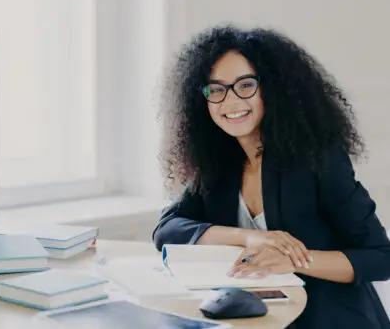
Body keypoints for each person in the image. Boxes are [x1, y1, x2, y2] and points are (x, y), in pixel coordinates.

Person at [153, 25, 390, 329]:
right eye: (217, 89)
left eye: (245, 85)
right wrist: (248, 236)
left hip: (331, 318)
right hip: (259, 317)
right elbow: (167, 229)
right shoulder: (220, 164)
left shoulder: (318, 159)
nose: (230, 101)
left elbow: (381, 257)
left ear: (273, 89)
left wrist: (296, 260)